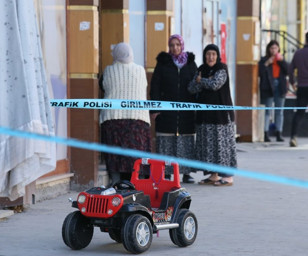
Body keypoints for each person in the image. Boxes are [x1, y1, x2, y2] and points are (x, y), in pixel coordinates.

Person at [100, 42, 151, 183]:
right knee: (136, 157)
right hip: (138, 121)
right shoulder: (140, 70)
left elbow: (103, 86)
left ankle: (115, 183)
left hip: (113, 119)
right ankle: (135, 183)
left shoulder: (109, 71)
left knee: (114, 155)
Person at [150, 34, 197, 183]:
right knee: (166, 140)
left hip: (186, 110)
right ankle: (167, 173)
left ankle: (186, 172)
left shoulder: (190, 64)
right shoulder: (163, 63)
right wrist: (155, 108)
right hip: (166, 109)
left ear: (182, 46)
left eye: (177, 45)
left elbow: (196, 86)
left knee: (185, 139)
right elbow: (155, 86)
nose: (175, 48)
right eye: (172, 45)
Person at [188, 44, 236, 186]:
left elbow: (215, 84)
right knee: (210, 146)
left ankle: (227, 176)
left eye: (213, 54)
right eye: (208, 54)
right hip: (205, 116)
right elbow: (191, 88)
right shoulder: (201, 69)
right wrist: (202, 82)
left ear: (217, 56)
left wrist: (201, 81)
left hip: (221, 116)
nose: (211, 57)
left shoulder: (222, 69)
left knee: (222, 145)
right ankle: (213, 175)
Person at [258, 40, 288, 142]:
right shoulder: (264, 60)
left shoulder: (281, 60)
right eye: (271, 48)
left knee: (279, 111)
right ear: (268, 49)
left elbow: (288, 71)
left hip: (280, 87)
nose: (273, 50)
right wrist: (267, 63)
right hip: (268, 87)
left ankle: (279, 133)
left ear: (278, 49)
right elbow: (259, 72)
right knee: (267, 111)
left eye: (275, 48)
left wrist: (282, 61)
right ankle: (265, 133)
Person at [289, 32, 308, 147]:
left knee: (299, 113)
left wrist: (293, 82)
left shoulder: (298, 54)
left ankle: (293, 137)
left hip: (301, 86)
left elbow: (290, 70)